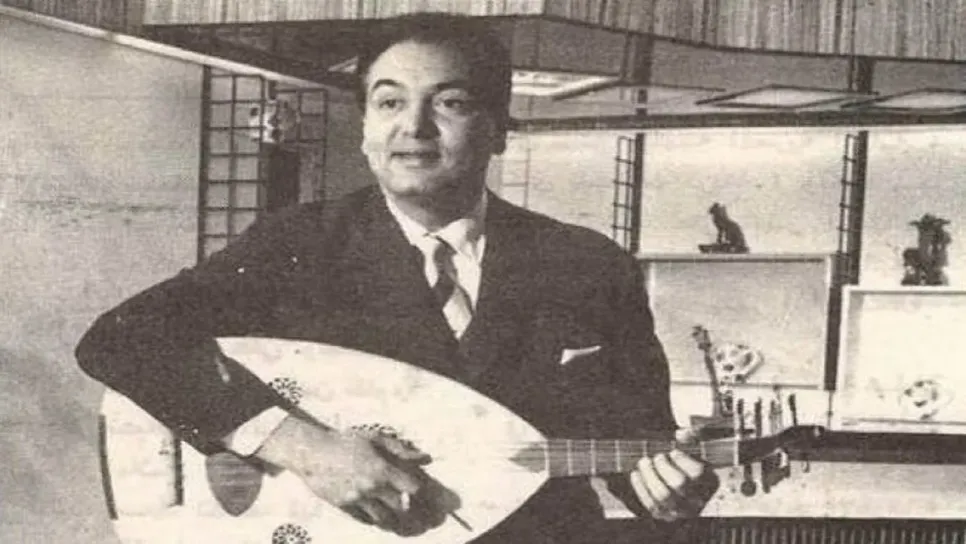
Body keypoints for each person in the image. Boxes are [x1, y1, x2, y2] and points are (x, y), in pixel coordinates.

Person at [76, 12, 719, 543]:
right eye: (389, 102)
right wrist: (303, 447)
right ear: (365, 130)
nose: (413, 127)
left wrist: (667, 493)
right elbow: (120, 339)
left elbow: (641, 441)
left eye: (450, 103)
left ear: (499, 130)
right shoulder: (301, 243)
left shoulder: (586, 263)